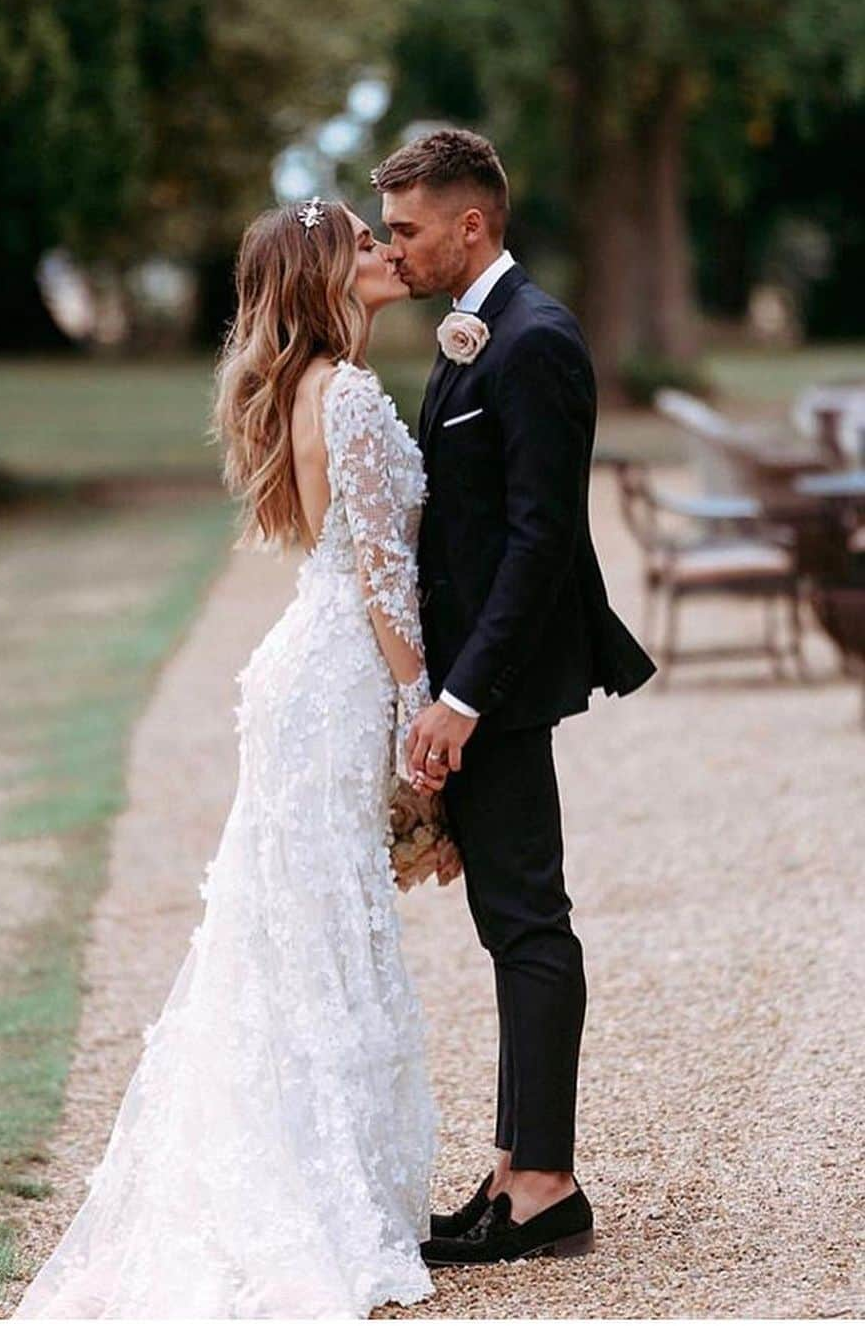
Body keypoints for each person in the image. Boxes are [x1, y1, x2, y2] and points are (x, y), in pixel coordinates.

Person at [12, 197, 454, 1318]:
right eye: (363, 241)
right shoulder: (345, 393)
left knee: (295, 923)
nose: (385, 250)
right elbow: (383, 579)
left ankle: (308, 1166)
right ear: (323, 274)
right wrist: (422, 711)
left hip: (303, 670)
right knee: (314, 928)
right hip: (342, 671)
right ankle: (311, 1192)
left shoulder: (304, 389)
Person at [371, 129, 657, 1266]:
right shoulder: (476, 331)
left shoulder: (537, 340)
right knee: (508, 921)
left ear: (471, 224)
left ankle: (545, 1184)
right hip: (472, 682)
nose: (394, 247)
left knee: (531, 920)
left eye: (406, 227)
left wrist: (465, 697)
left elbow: (542, 542)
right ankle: (510, 1165)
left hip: (504, 688)